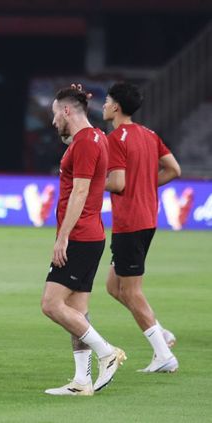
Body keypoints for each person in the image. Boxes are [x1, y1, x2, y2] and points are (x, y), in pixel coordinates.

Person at [41, 85, 125, 396]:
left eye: (54, 114)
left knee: (51, 305)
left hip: (79, 237)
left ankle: (107, 353)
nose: (52, 122)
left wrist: (62, 237)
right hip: (89, 234)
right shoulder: (94, 138)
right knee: (77, 313)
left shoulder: (87, 143)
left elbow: (80, 191)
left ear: (66, 111)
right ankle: (81, 381)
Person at [102, 82, 182, 373]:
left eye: (107, 100)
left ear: (117, 107)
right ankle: (160, 333)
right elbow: (174, 169)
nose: (104, 105)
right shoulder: (149, 135)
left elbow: (118, 183)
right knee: (114, 286)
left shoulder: (116, 139)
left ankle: (163, 356)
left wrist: (91, 181)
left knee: (132, 291)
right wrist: (147, 184)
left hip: (130, 222)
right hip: (147, 218)